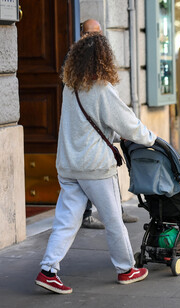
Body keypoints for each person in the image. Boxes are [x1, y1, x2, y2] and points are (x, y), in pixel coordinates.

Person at [35, 33, 156, 294]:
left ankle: (48, 270)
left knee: (66, 221)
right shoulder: (102, 89)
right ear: (104, 59)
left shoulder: (70, 87)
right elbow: (128, 123)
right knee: (113, 220)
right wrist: (152, 139)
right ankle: (126, 269)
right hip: (95, 169)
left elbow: (85, 127)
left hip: (68, 166)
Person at [78, 19, 139, 229]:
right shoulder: (76, 59)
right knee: (88, 175)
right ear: (81, 34)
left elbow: (110, 99)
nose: (93, 37)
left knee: (108, 171)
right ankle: (90, 215)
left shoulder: (103, 55)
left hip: (102, 127)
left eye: (96, 33)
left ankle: (117, 211)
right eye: (88, 33)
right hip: (86, 130)